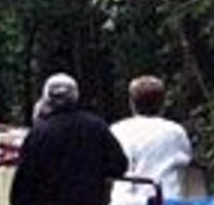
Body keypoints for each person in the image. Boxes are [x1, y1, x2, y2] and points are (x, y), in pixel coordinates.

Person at [14, 73, 129, 205]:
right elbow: (119, 165)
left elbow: (24, 182)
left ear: (46, 98)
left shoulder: (39, 133)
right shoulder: (97, 126)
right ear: (76, 96)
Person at [111, 76, 193, 205]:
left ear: (132, 104)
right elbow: (186, 163)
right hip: (167, 199)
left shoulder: (117, 130)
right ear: (162, 104)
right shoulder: (176, 131)